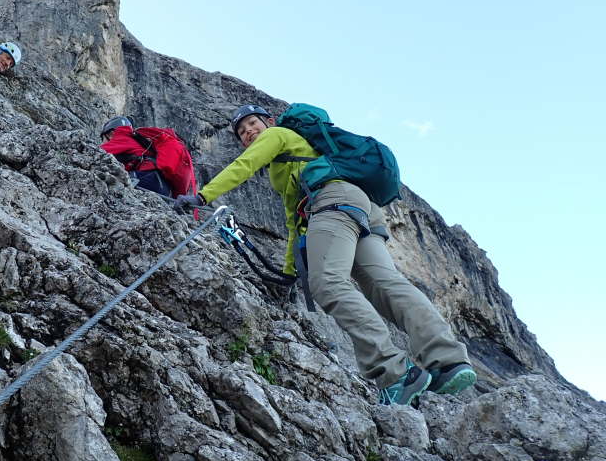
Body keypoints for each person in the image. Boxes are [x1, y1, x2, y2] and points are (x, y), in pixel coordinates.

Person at [175, 105, 476, 406]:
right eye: (241, 132)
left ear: (269, 122)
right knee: (384, 284)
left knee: (328, 283)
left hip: (332, 201)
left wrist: (203, 196)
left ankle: (395, 373)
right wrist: (292, 271)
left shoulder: (279, 135)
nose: (247, 133)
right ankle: (448, 361)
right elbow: (295, 219)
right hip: (362, 207)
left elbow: (244, 165)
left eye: (252, 124)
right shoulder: (295, 157)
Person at [99, 117, 173, 198]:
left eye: (103, 139)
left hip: (148, 178)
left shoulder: (121, 139)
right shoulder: (134, 139)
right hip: (164, 187)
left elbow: (98, 154)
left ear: (111, 134)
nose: (102, 143)